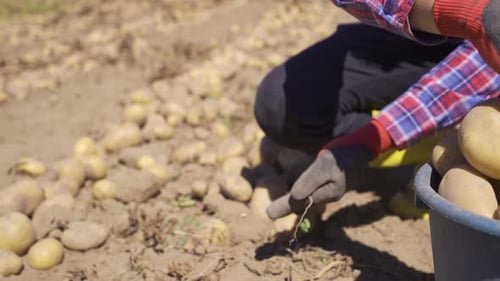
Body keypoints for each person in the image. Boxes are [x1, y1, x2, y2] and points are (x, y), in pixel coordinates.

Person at [254, 0, 500, 220]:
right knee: (282, 106)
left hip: (479, 37)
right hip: (428, 26)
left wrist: (380, 134)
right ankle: (438, 144)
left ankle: (453, 143)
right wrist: (466, 11)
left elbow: (486, 49)